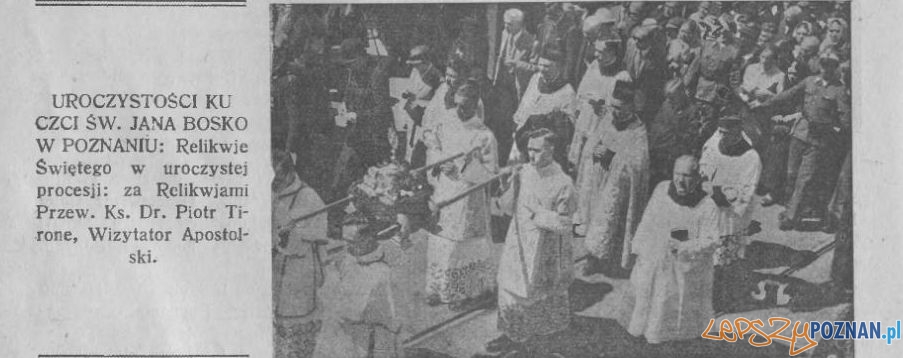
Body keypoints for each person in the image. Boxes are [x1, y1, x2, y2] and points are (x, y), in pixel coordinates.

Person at [487, 128, 577, 355]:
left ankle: (538, 338)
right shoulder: (524, 172)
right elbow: (507, 208)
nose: (531, 156)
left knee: (538, 294)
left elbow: (566, 224)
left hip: (544, 247)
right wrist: (508, 185)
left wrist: (537, 215)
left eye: (537, 150)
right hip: (517, 240)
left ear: (552, 149)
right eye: (529, 150)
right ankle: (512, 334)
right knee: (509, 286)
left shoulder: (563, 182)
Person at [619, 155, 720, 344]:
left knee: (669, 305)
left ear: (698, 178)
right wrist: (637, 247)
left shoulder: (707, 206)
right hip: (654, 259)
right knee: (646, 298)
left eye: (687, 176)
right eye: (677, 174)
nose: (680, 180)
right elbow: (648, 219)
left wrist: (684, 247)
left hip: (683, 268)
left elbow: (712, 241)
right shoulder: (662, 189)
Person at [424, 83, 499, 308]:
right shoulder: (446, 123)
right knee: (440, 240)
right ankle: (438, 287)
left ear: (475, 105)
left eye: (465, 107)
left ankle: (462, 291)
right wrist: (438, 163)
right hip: (444, 189)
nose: (459, 111)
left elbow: (490, 174)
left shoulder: (484, 135)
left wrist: (464, 168)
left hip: (467, 198)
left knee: (461, 246)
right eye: (456, 105)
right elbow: (433, 146)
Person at [757, 51, 850, 231]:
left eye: (830, 65)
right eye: (823, 64)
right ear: (819, 65)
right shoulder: (809, 81)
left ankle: (790, 218)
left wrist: (831, 129)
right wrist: (765, 105)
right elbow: (788, 95)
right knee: (791, 174)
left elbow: (845, 121)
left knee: (804, 179)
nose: (826, 69)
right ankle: (790, 210)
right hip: (800, 134)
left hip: (818, 141)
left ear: (835, 68)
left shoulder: (839, 90)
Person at [582, 83, 651, 277]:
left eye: (620, 107)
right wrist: (593, 151)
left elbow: (638, 165)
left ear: (631, 107)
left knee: (610, 220)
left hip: (618, 187)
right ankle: (592, 257)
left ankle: (610, 261)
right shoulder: (607, 120)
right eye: (613, 106)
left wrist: (611, 157)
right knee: (593, 217)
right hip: (599, 179)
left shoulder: (638, 131)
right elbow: (593, 142)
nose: (614, 111)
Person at [699, 115, 762, 311]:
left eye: (727, 134)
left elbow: (746, 191)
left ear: (738, 133)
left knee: (725, 260)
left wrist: (718, 193)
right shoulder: (714, 143)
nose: (722, 137)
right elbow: (704, 165)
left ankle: (721, 300)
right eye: (720, 132)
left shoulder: (750, 158)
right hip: (708, 210)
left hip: (730, 217)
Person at [569, 39, 631, 235]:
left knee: (594, 175)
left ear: (613, 53)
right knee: (580, 171)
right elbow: (581, 92)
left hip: (604, 132)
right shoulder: (594, 67)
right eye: (596, 51)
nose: (597, 55)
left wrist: (602, 109)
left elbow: (622, 110)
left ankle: (590, 221)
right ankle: (578, 214)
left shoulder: (623, 77)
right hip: (585, 127)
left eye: (601, 52)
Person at [272, 150, 328, 358]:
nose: (274, 184)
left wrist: (291, 234)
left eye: (278, 178)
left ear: (288, 174)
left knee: (296, 325)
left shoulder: (308, 197)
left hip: (299, 268)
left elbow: (318, 233)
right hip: (276, 266)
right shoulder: (271, 192)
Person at [510, 48, 577, 163]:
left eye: (547, 66)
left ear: (558, 67)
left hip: (542, 149)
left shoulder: (567, 92)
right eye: (540, 65)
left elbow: (567, 129)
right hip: (522, 137)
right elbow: (525, 103)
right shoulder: (536, 78)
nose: (542, 69)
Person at [402, 45, 443, 167]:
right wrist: (407, 92)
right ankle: (408, 163)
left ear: (426, 62)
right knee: (409, 141)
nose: (415, 67)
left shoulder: (436, 75)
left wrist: (422, 102)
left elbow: (440, 97)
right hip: (412, 111)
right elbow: (411, 86)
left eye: (417, 64)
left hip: (425, 116)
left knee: (421, 145)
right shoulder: (415, 71)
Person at [492, 8, 536, 101]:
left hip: (518, 85)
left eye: (510, 24)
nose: (506, 26)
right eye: (505, 23)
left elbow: (534, 68)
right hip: (502, 83)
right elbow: (500, 57)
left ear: (519, 25)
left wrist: (517, 64)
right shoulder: (504, 33)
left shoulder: (530, 41)